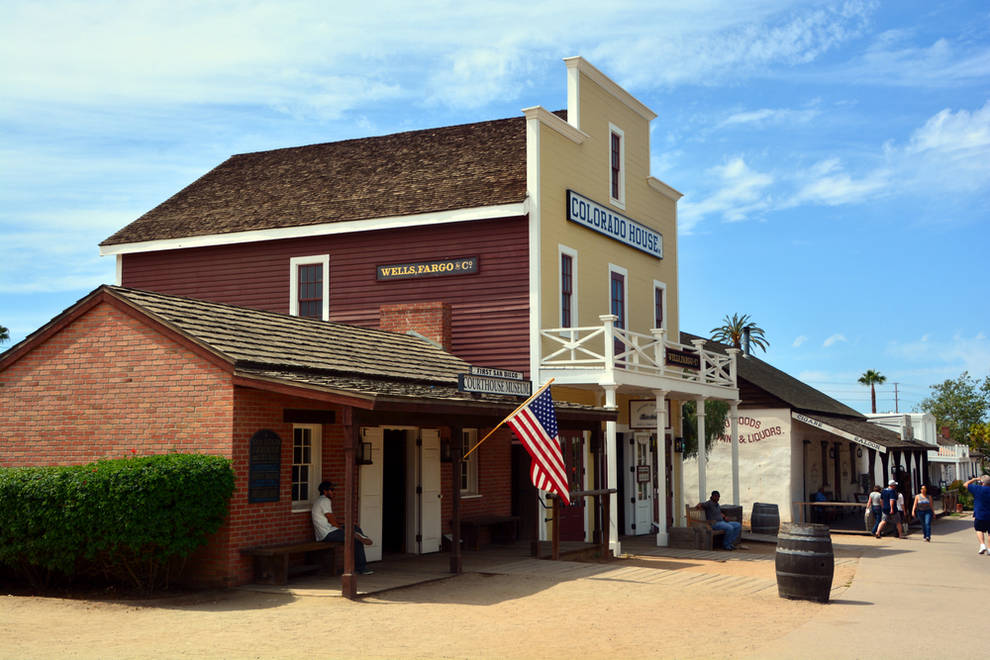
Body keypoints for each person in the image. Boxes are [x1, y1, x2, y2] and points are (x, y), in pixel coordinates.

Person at [311, 480, 375, 574]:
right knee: (355, 539)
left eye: (333, 490)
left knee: (354, 527)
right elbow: (330, 518)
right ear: (325, 491)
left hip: (330, 531)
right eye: (331, 490)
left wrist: (347, 523)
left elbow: (331, 519)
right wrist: (341, 528)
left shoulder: (321, 500)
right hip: (327, 534)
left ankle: (360, 536)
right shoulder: (325, 500)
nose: (333, 492)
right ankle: (361, 567)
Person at [964, 475, 990, 555]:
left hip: (980, 514)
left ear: (982, 482)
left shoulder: (977, 489)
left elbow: (965, 484)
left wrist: (974, 479)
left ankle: (982, 545)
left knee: (979, 529)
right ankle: (989, 548)